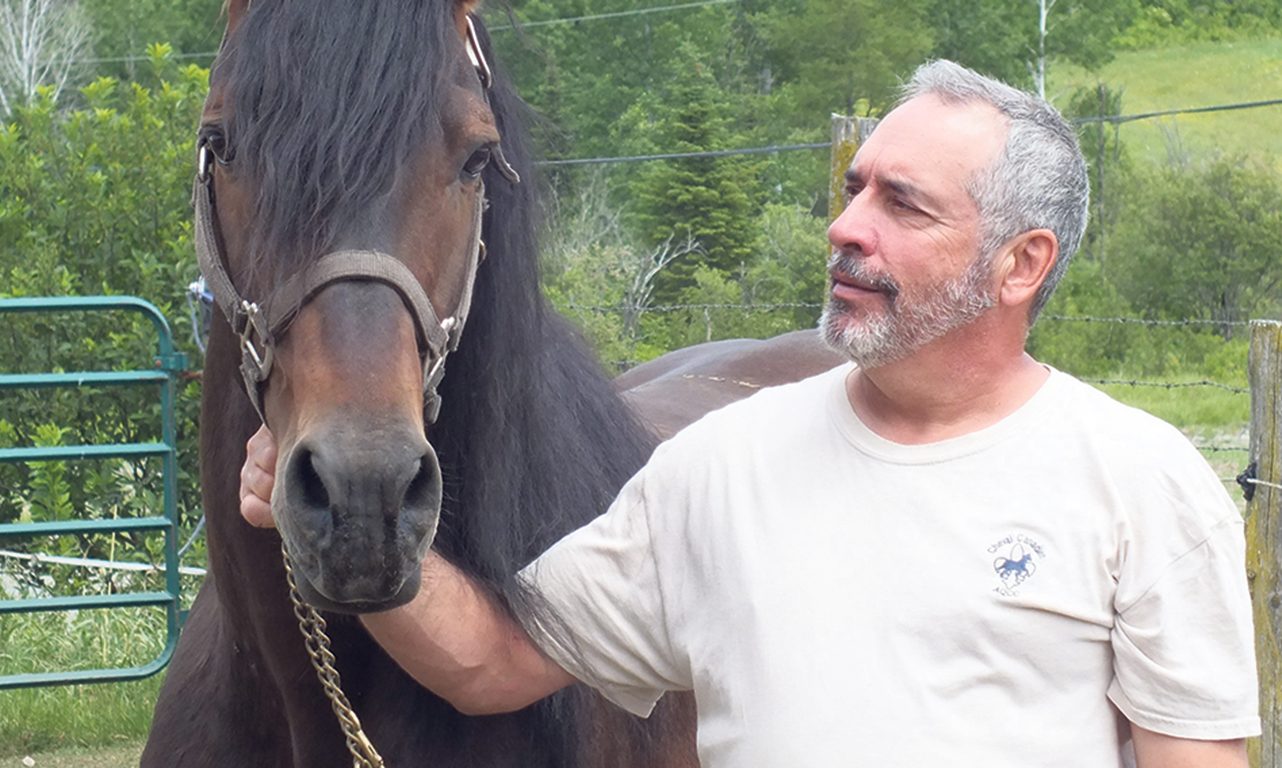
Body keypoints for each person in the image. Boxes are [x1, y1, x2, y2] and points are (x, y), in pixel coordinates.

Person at [239, 60, 1260, 766]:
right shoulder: (718, 466)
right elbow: (494, 662)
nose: (845, 226)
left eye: (901, 206)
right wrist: (343, 525)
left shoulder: (1137, 481)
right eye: (854, 187)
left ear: (1020, 263)